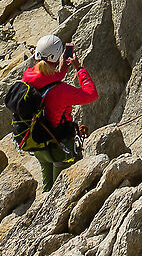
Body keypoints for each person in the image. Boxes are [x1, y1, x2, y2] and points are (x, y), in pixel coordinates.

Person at [12, 34, 96, 187]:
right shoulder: (61, 91)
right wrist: (79, 68)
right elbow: (91, 94)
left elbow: (47, 81)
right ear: (57, 57)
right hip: (57, 146)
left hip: (37, 142)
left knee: (47, 187)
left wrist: (62, 70)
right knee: (59, 191)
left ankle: (44, 199)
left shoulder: (29, 77)